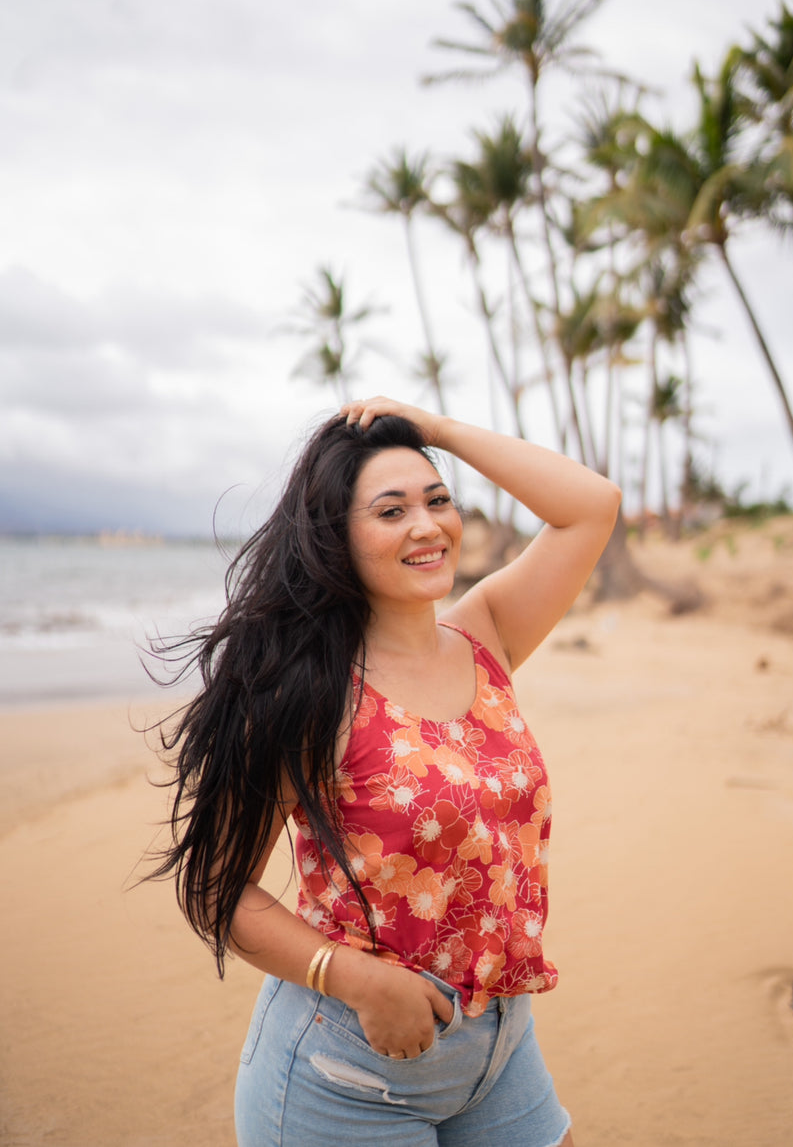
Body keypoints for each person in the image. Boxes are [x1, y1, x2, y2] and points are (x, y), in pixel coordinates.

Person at [150, 396, 621, 1146]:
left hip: (499, 1043)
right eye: (391, 510)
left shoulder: (486, 632)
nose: (427, 525)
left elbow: (592, 506)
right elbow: (215, 888)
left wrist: (436, 430)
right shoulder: (308, 689)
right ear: (337, 536)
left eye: (438, 501)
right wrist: (356, 979)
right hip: (348, 1071)